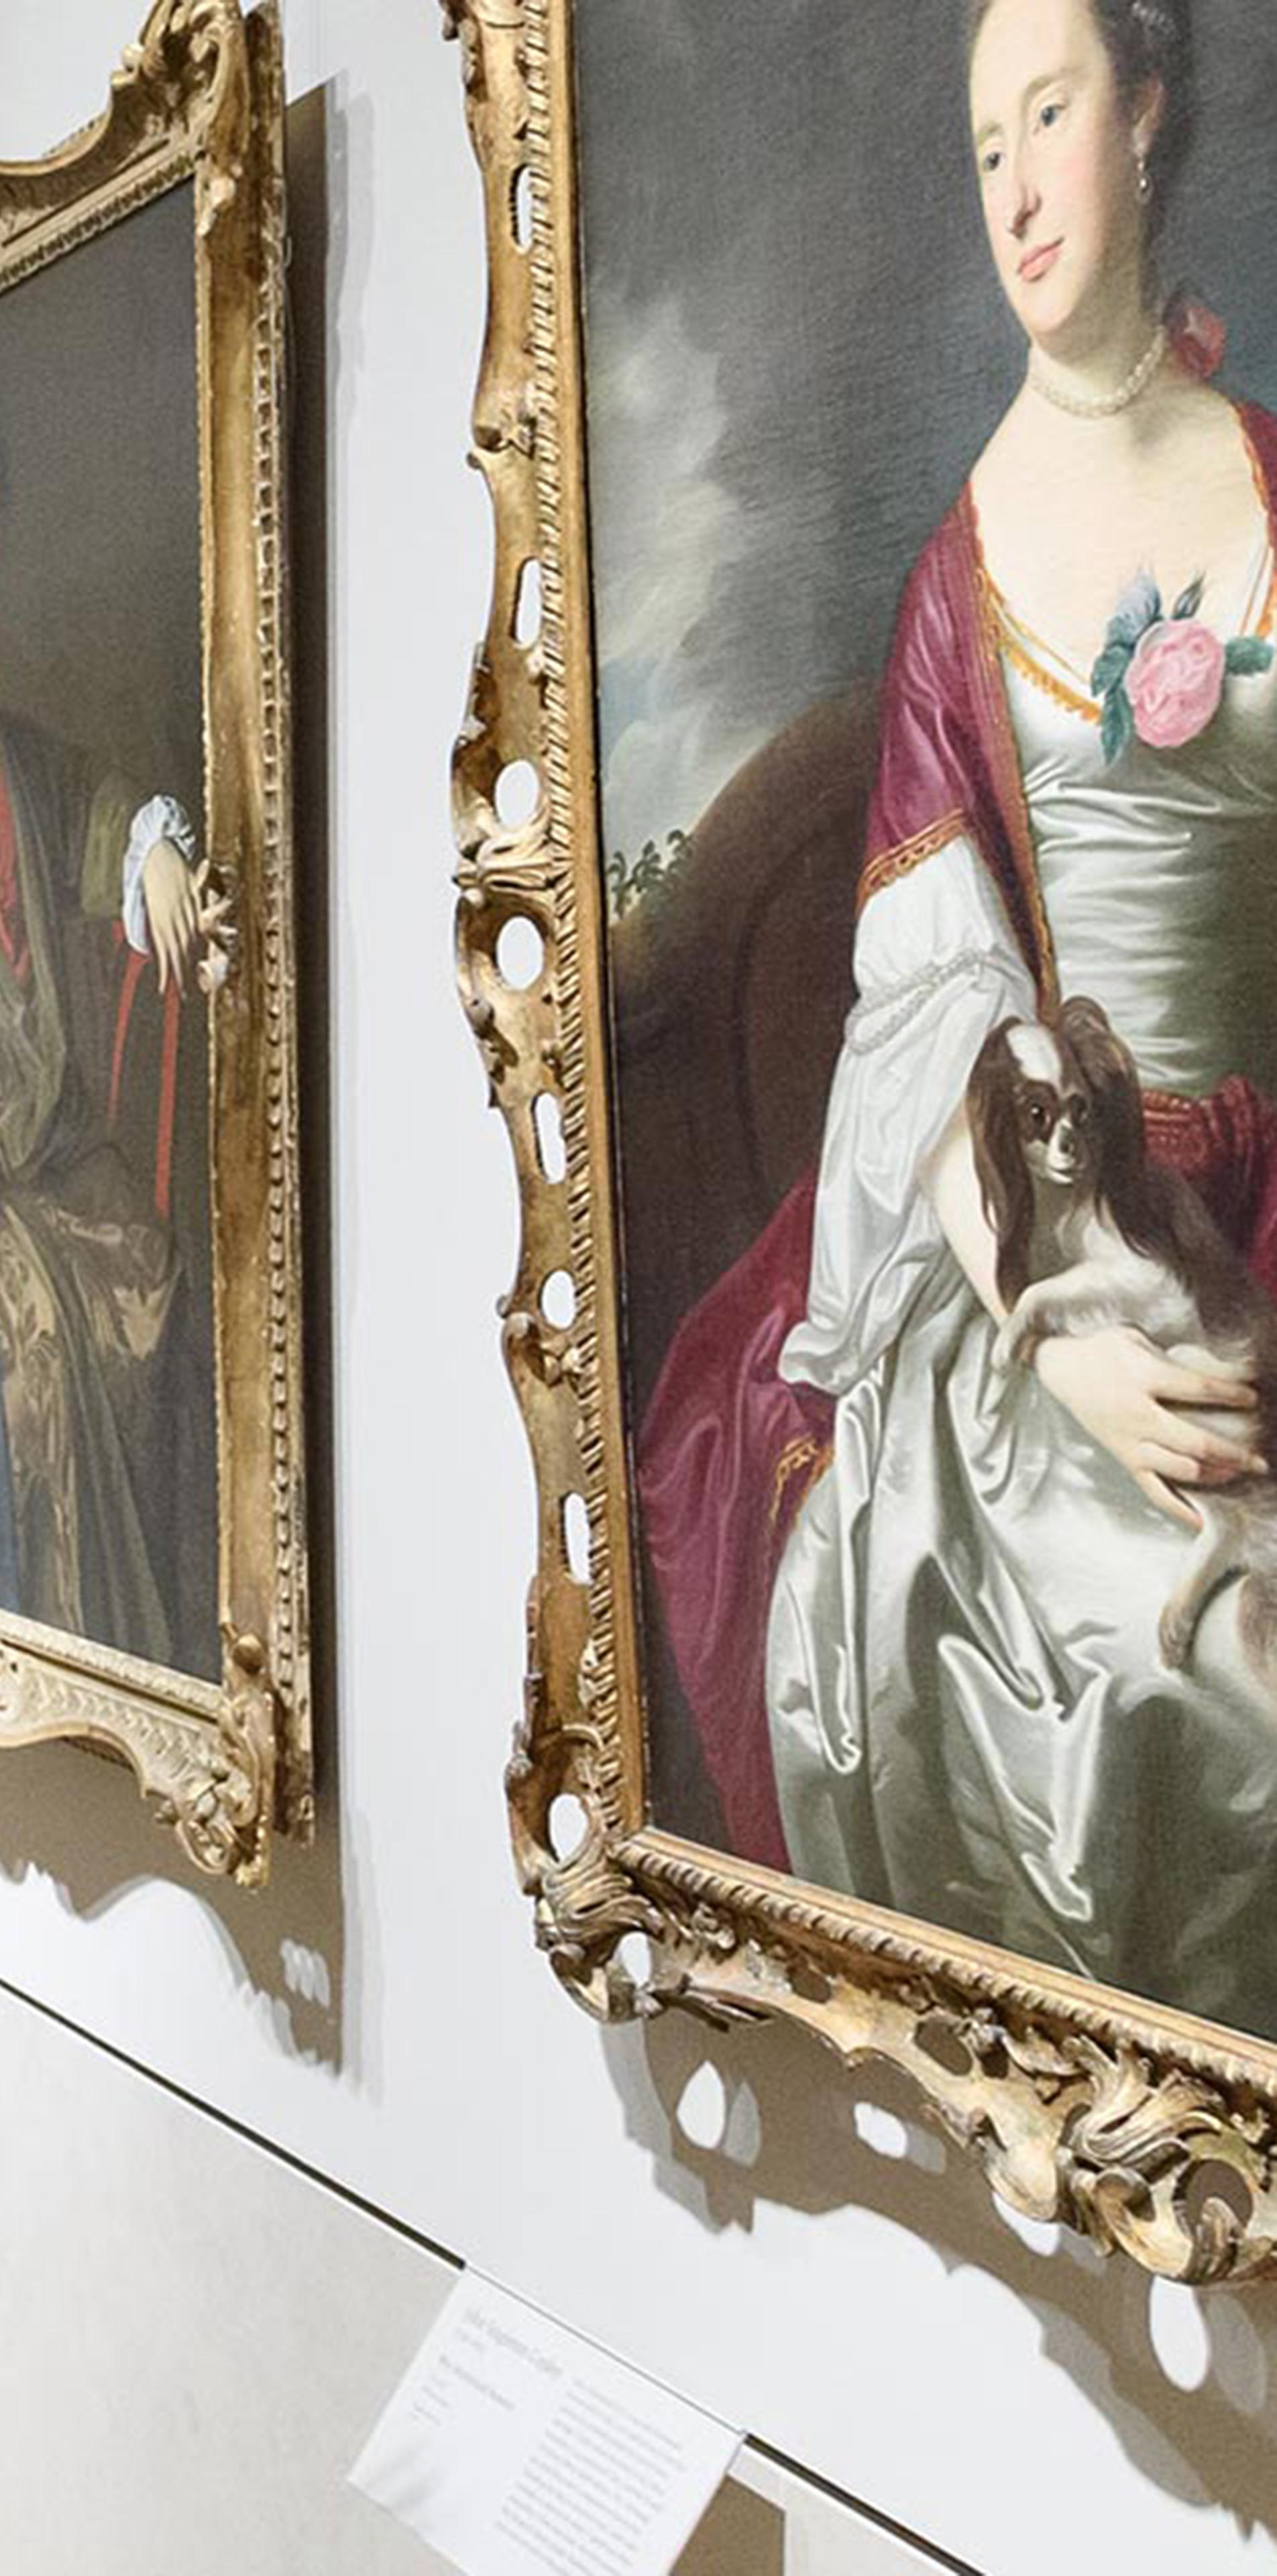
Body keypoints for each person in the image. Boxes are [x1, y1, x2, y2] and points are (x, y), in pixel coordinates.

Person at [641, 0, 1277, 2033]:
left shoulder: (1266, 478)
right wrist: (1058, 1336)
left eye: (1047, 115)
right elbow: (934, 1013)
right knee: (1194, 1659)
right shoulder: (959, 571)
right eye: (979, 140)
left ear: (1144, 117)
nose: (1009, 187)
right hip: (1072, 1224)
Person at [0, 472, 219, 1670]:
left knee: (160, 1276)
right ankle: (72, 1654)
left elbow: (107, 809)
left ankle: (162, 1643)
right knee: (45, 1357)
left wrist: (156, 854)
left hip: (63, 1154)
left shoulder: (29, 765)